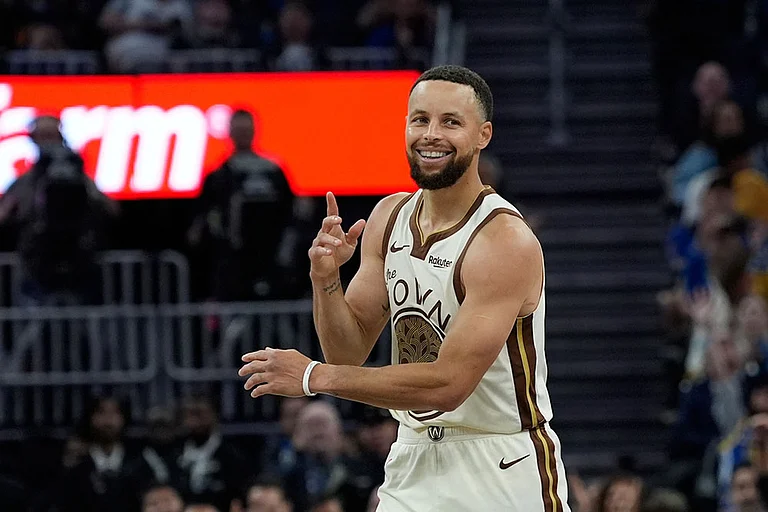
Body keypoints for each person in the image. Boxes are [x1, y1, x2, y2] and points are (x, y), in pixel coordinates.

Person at [239, 65, 569, 511]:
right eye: (420, 119)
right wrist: (326, 280)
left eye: (450, 122)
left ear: (483, 135)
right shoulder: (389, 216)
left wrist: (313, 377)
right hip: (413, 451)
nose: (431, 134)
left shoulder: (503, 241)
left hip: (500, 460)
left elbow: (448, 384)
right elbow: (347, 351)